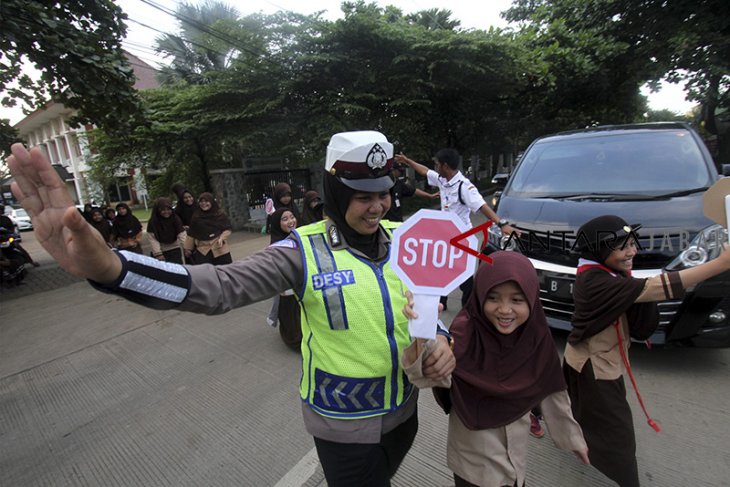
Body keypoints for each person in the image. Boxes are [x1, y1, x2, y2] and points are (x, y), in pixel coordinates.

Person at [7, 131, 454, 487]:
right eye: (362, 195)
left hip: (405, 414)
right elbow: (219, 286)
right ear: (335, 192)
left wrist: (442, 339)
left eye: (383, 193)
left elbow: (440, 305)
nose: (378, 206)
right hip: (343, 425)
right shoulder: (301, 251)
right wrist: (112, 268)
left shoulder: (410, 239)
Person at [563, 215, 730, 487]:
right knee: (618, 433)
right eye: (623, 247)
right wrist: (721, 263)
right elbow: (655, 288)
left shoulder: (606, 274)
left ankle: (561, 430)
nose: (632, 252)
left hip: (594, 362)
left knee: (578, 409)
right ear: (599, 250)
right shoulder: (596, 282)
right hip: (594, 367)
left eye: (633, 243)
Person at [402, 251, 589, 487]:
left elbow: (551, 389)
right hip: (474, 460)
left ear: (532, 298)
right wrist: (425, 333)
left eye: (517, 300)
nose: (504, 309)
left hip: (516, 456)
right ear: (479, 296)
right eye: (493, 298)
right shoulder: (465, 332)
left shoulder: (535, 335)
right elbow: (432, 371)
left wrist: (573, 439)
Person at [395, 150, 517, 309]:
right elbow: (425, 171)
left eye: (437, 164)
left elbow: (482, 206)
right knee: (440, 269)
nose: (436, 167)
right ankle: (441, 302)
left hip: (462, 240)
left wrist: (501, 224)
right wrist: (408, 161)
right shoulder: (442, 179)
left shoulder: (464, 186)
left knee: (463, 276)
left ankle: (470, 307)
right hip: (445, 237)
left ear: (445, 166)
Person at [267, 207, 302, 349]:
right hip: (287, 290)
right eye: (285, 219)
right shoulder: (276, 246)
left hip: (302, 286)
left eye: (292, 217)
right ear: (277, 223)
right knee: (291, 318)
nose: (291, 221)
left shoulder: (300, 237)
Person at [184, 192, 233, 266]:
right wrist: (187, 248)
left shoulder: (219, 214)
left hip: (219, 247)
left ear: (211, 202)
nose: (204, 204)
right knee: (207, 273)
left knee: (225, 271)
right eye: (201, 202)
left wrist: (222, 238)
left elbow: (227, 229)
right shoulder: (196, 217)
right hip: (203, 249)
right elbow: (191, 233)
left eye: (206, 201)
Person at [147, 197, 187, 264]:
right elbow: (152, 239)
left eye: (168, 209)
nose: (166, 212)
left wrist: (186, 248)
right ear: (158, 210)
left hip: (174, 248)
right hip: (161, 251)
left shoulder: (175, 219)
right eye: (163, 210)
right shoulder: (153, 222)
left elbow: (182, 234)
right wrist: (158, 253)